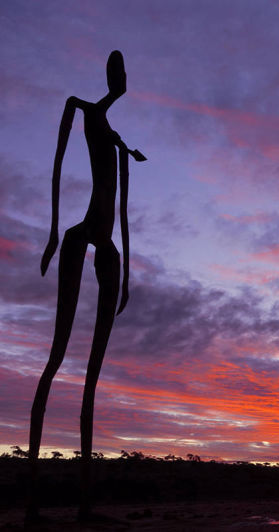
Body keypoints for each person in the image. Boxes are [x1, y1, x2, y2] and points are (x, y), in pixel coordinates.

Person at [27, 50, 146, 522]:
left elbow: (124, 213)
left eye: (123, 74)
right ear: (107, 77)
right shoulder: (81, 108)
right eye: (115, 73)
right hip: (81, 236)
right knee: (57, 357)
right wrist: (54, 232)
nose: (120, 80)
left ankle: (84, 505)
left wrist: (128, 270)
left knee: (93, 375)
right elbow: (58, 162)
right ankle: (33, 504)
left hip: (108, 245)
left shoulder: (119, 141)